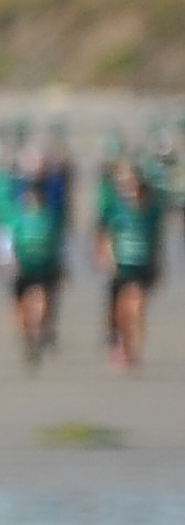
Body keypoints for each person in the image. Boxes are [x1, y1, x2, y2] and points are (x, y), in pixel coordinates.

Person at [95, 144, 162, 373]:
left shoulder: (152, 210)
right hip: (120, 265)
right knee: (120, 310)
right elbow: (104, 235)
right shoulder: (115, 208)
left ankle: (133, 347)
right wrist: (106, 258)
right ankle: (121, 343)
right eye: (127, 185)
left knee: (136, 306)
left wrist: (159, 263)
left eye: (135, 185)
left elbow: (157, 238)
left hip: (143, 266)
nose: (131, 189)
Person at [7, 146, 70, 366]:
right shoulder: (17, 216)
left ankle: (42, 332)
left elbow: (60, 242)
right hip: (22, 266)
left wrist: (62, 264)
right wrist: (9, 262)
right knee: (21, 310)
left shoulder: (51, 216)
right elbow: (5, 241)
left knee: (43, 302)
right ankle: (28, 342)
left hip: (45, 266)